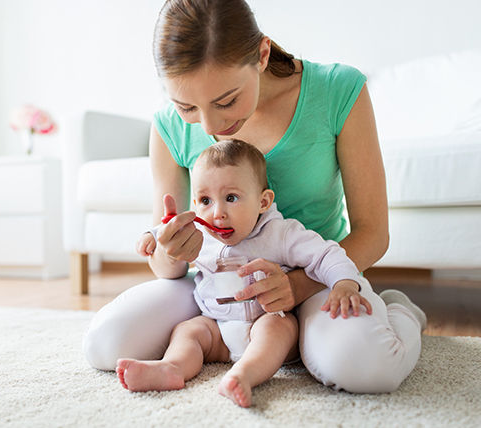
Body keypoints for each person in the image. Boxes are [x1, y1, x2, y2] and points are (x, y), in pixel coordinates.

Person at [83, 0, 427, 393]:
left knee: (367, 368)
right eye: (187, 106)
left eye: (227, 100)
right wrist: (170, 250)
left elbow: (373, 233)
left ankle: (402, 313)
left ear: (261, 55)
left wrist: (295, 286)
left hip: (317, 278)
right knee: (104, 344)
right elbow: (168, 266)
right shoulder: (166, 127)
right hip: (217, 284)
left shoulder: (338, 90)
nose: (212, 125)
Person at [118, 139, 373, 408]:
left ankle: (244, 375)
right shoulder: (200, 235)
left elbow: (325, 255)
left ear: (263, 202)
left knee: (279, 327)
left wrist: (345, 283)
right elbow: (168, 229)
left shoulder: (281, 234)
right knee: (188, 331)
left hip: (264, 322)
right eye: (205, 200)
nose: (218, 214)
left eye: (231, 198)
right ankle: (172, 367)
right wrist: (152, 237)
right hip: (216, 329)